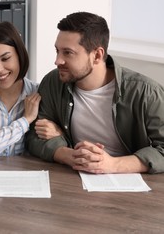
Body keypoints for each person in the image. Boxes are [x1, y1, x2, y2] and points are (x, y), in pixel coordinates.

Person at [25, 11, 164, 174]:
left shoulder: (146, 92)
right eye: (57, 51)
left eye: (67, 53)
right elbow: (33, 137)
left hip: (130, 186)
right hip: (72, 178)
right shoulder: (53, 82)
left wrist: (112, 164)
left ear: (97, 55)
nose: (57, 61)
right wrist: (68, 155)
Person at [0, 21, 62, 161]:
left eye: (5, 58)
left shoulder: (39, 92)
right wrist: (26, 121)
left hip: (20, 176)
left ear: (20, 55)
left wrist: (58, 131)